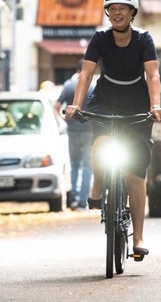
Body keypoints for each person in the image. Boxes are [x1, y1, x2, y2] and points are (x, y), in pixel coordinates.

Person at [63, 0, 161, 257]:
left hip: (137, 102)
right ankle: (97, 186)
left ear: (132, 13)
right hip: (106, 99)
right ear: (108, 13)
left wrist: (155, 105)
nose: (117, 12)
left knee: (135, 174)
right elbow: (86, 74)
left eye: (123, 8)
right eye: (112, 8)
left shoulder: (144, 39)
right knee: (100, 144)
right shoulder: (99, 38)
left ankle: (139, 238)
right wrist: (76, 103)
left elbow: (152, 75)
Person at [54, 59, 95, 211]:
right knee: (87, 166)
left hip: (72, 131)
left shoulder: (69, 86)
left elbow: (57, 106)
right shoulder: (92, 87)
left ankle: (74, 199)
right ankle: (84, 201)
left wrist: (64, 120)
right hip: (89, 131)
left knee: (75, 164)